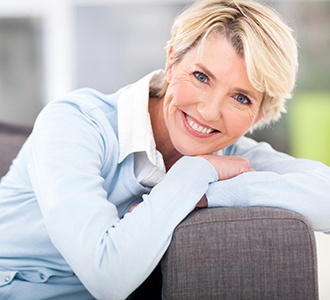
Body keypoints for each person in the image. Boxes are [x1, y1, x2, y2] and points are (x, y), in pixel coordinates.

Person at [0, 0, 329, 299]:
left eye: (241, 98)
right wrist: (195, 174)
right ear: (172, 60)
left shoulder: (231, 157)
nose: (210, 111)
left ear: (259, 114)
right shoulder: (76, 121)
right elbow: (106, 276)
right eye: (201, 76)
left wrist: (208, 195)